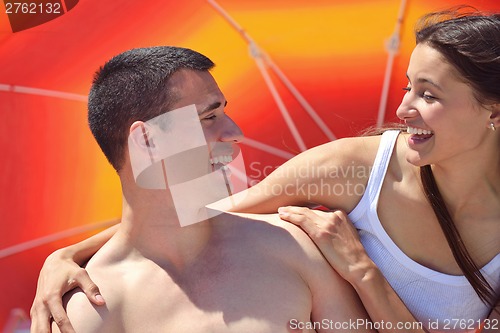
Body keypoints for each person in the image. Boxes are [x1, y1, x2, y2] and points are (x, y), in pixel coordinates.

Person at [31, 7, 500, 333]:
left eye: (429, 94)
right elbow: (196, 215)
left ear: (493, 111)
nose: (403, 108)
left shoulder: (295, 257)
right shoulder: (353, 170)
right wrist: (66, 256)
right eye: (407, 87)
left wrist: (363, 272)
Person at [34, 45, 376, 333]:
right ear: (147, 141)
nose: (234, 132)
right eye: (208, 118)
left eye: (224, 112)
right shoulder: (79, 311)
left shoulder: (293, 247)